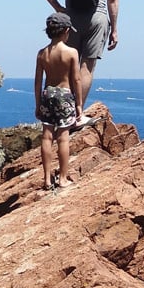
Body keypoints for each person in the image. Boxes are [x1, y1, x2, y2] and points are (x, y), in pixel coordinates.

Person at [34, 12, 84, 189]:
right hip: (64, 95)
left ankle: (47, 179)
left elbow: (38, 81)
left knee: (46, 136)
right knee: (63, 137)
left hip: (48, 94)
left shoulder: (42, 54)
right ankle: (62, 179)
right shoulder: (71, 53)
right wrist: (78, 105)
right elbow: (77, 80)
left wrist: (38, 104)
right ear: (66, 31)